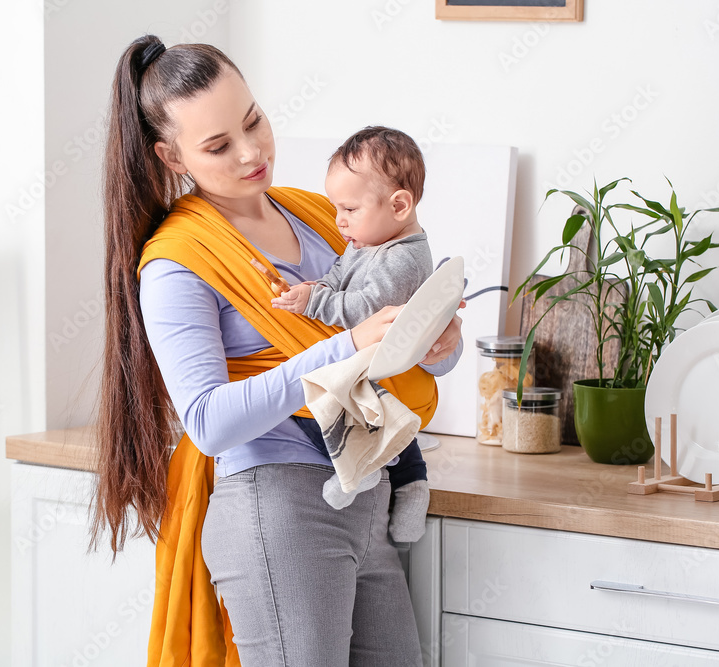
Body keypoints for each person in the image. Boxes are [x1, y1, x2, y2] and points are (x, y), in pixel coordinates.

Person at [89, 35, 464, 667]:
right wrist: (350, 342)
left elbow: (394, 359)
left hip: (368, 494)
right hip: (282, 508)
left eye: (253, 120)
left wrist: (437, 345)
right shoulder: (177, 264)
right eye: (217, 145)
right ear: (170, 155)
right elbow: (208, 421)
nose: (251, 152)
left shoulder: (325, 217)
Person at [271, 126, 445, 543]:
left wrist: (315, 305)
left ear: (399, 205)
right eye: (336, 208)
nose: (338, 220)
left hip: (385, 361)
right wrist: (315, 288)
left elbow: (367, 310)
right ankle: (408, 483)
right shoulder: (366, 242)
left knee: (335, 401)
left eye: (348, 209)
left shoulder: (403, 258)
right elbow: (338, 274)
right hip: (370, 361)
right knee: (375, 418)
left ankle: (364, 469)